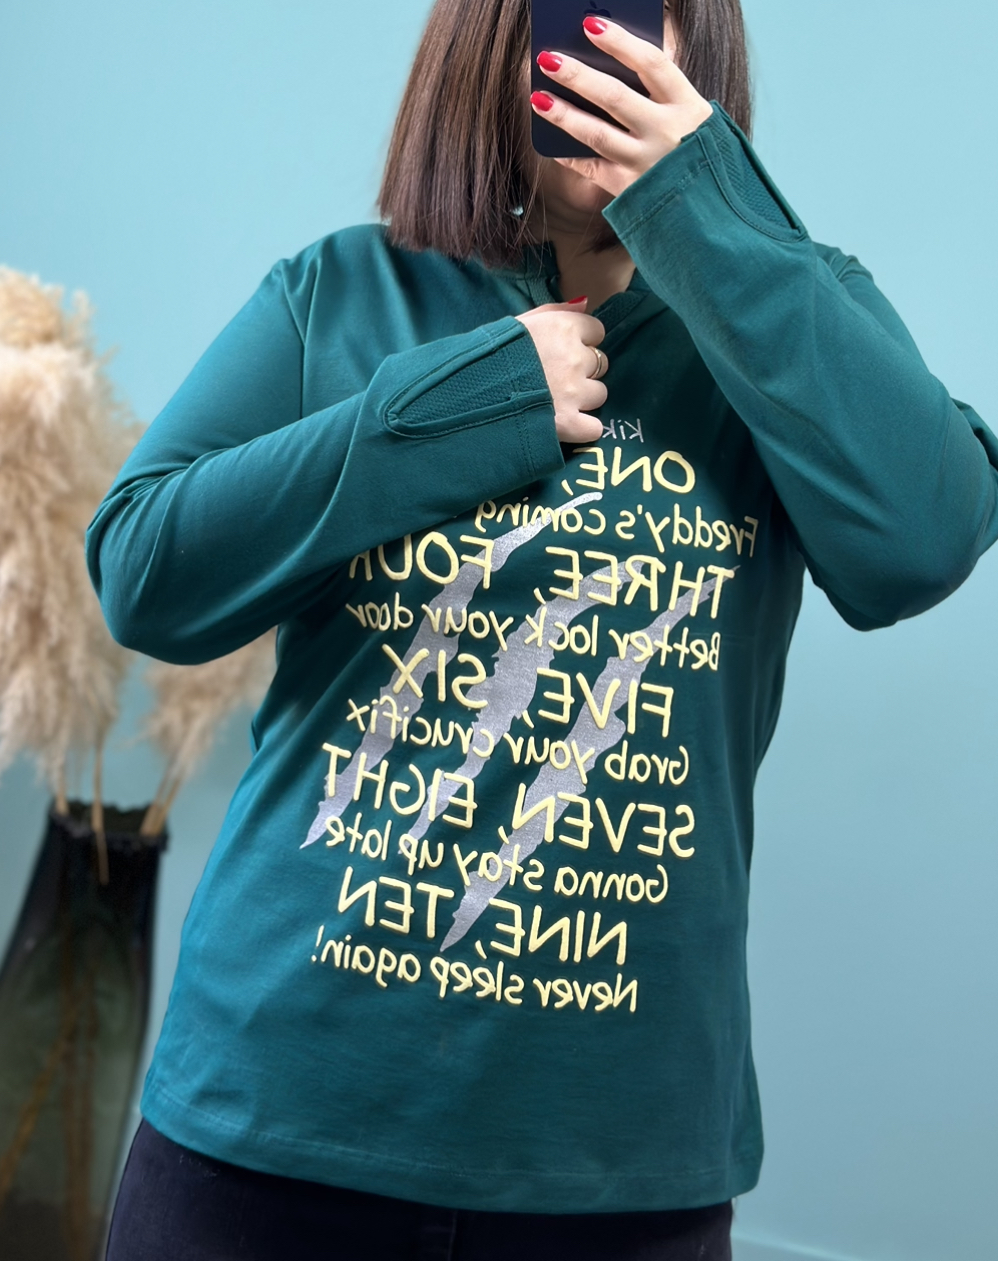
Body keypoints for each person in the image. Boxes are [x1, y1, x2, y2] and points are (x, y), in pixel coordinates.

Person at [89, 1, 998, 1258]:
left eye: (649, 20)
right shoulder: (340, 292)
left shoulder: (790, 323)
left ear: (699, 56)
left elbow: (922, 538)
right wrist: (463, 404)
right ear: (488, 50)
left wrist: (706, 210)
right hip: (274, 1120)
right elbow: (144, 571)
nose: (609, 52)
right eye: (569, 16)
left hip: (617, 1168)